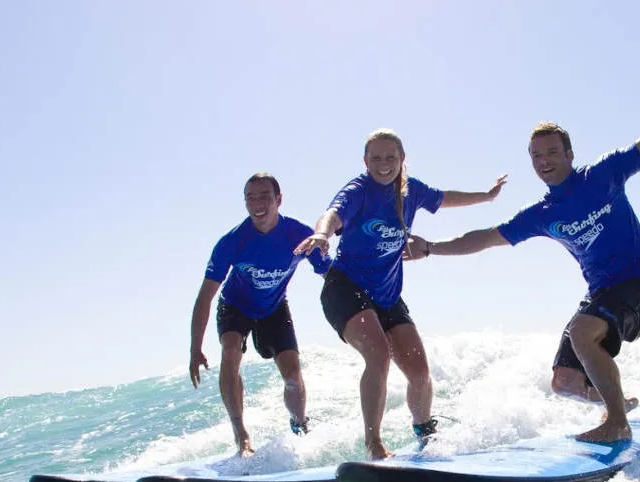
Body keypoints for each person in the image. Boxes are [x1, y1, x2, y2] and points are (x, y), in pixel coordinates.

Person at [407, 72, 640, 443]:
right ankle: (617, 402)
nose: (544, 160)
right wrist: (431, 247)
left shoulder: (603, 175)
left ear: (569, 154)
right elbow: (485, 238)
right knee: (564, 382)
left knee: (583, 333)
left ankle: (617, 422)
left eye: (552, 152)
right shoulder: (541, 213)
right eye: (536, 155)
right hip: (601, 292)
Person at [294, 128, 508, 459]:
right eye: (376, 158)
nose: (384, 164)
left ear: (402, 159)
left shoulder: (411, 190)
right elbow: (332, 213)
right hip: (345, 287)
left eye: (390, 157)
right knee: (378, 355)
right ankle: (373, 444)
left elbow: (445, 198)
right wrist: (322, 234)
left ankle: (425, 434)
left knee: (419, 373)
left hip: (387, 294)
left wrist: (486, 196)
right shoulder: (358, 190)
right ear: (365, 161)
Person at [190, 172, 332, 457]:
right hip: (235, 306)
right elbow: (205, 296)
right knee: (230, 351)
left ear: (279, 199)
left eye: (265, 196)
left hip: (274, 308)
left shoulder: (298, 234)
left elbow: (331, 274)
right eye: (250, 198)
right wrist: (195, 348)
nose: (257, 203)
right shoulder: (232, 242)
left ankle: (299, 424)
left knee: (293, 377)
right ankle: (240, 434)